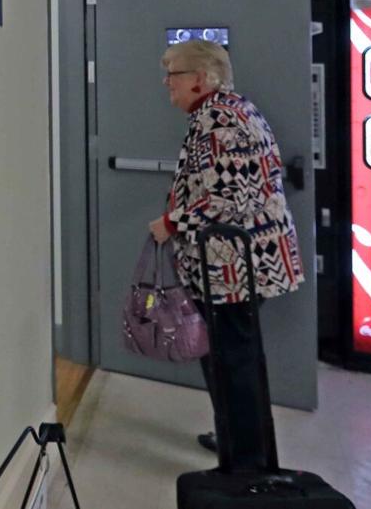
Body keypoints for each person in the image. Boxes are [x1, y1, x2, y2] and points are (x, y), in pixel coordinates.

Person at [147, 39, 303, 468]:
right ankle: (236, 439)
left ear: (201, 79)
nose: (167, 83)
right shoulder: (227, 110)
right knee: (230, 358)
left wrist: (172, 223)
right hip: (237, 264)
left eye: (173, 74)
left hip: (235, 268)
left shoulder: (220, 120)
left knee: (233, 362)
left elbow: (230, 198)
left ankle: (245, 460)